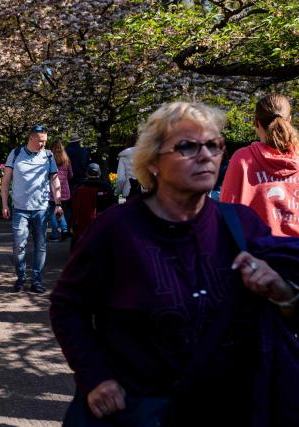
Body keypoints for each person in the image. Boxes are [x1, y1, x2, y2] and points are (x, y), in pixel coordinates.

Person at [50, 101, 299, 427]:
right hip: (140, 410)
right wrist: (95, 376)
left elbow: (289, 310)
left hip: (227, 409)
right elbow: (68, 306)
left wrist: (282, 292)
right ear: (153, 161)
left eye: (214, 145)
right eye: (187, 146)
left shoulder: (242, 225)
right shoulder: (116, 229)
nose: (206, 155)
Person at [220, 93, 299, 237]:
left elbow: (227, 210)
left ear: (255, 122)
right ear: (290, 120)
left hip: (258, 253)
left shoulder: (242, 159)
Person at [1, 124, 63, 293]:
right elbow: (6, 182)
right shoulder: (15, 154)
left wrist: (58, 203)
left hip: (41, 209)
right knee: (18, 246)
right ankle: (21, 277)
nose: (43, 144)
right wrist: (5, 204)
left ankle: (37, 280)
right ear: (31, 138)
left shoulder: (48, 156)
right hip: (20, 209)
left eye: (45, 141)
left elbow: (55, 181)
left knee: (41, 245)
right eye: (41, 141)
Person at [68, 162, 116, 249]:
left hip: (81, 225)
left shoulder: (80, 187)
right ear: (99, 173)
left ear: (86, 173)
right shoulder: (106, 187)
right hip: (101, 223)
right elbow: (113, 205)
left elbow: (71, 205)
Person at [47, 139, 73, 242]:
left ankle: (55, 234)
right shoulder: (66, 160)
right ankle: (65, 229)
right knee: (61, 211)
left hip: (53, 190)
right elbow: (71, 174)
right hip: (65, 190)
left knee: (52, 213)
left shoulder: (50, 160)